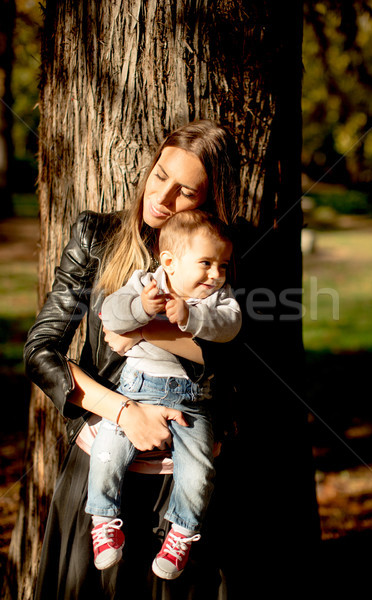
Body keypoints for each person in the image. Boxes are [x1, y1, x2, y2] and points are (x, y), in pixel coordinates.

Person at [24, 120, 241, 599]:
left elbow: (235, 358)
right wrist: (126, 413)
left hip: (183, 479)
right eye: (160, 175)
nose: (162, 198)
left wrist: (145, 330)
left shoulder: (219, 257)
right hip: (101, 471)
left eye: (185, 192)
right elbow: (42, 350)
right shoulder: (95, 235)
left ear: (208, 200)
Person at [87, 210, 241, 578]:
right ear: (169, 262)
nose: (216, 274)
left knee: (199, 468)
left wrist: (190, 316)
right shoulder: (146, 283)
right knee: (107, 449)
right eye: (205, 263)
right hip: (137, 390)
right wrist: (141, 307)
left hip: (194, 400)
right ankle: (103, 520)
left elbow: (229, 325)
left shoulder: (218, 297)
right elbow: (110, 312)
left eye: (222, 265)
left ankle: (182, 533)